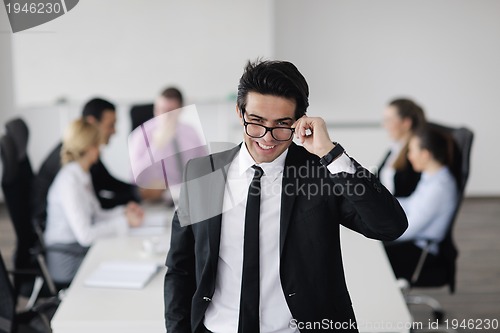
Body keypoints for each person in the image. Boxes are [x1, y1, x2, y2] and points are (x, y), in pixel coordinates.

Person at [164, 60, 408, 333]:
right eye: (256, 123)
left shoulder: (320, 173)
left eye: (282, 125)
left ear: (300, 121)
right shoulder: (203, 173)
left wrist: (331, 154)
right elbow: (179, 267)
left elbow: (389, 226)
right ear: (239, 111)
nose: (267, 138)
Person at [43, 119, 144, 285]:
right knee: (122, 267)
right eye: (98, 145)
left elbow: (96, 214)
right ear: (90, 148)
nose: (100, 149)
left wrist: (124, 212)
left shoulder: (82, 174)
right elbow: (85, 235)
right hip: (68, 258)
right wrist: (124, 222)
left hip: (80, 249)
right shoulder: (69, 182)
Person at [33, 98, 141, 227]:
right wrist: (136, 196)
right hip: (57, 229)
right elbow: (95, 204)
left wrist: (137, 191)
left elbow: (107, 182)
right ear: (92, 123)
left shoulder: (83, 152)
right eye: (110, 125)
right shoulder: (73, 161)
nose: (114, 131)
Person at [384, 126, 458, 282]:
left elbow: (408, 230)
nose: (409, 157)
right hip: (411, 241)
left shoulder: (438, 188)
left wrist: (376, 229)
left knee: (372, 256)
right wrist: (381, 205)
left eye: (411, 151)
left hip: (420, 252)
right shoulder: (431, 176)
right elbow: (411, 203)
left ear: (425, 155)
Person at [129, 87, 207, 204]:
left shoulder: (191, 132)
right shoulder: (141, 135)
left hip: (186, 199)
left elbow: (205, 167)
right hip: (154, 201)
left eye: (169, 111)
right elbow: (134, 177)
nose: (163, 116)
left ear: (180, 109)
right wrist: (156, 147)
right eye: (160, 110)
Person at [379, 98, 426, 197]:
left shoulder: (415, 155)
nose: (384, 125)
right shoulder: (395, 148)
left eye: (388, 120)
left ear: (406, 123)